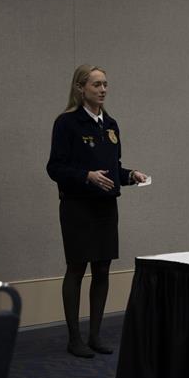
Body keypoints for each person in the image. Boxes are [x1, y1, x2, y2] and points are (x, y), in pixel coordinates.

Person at [47, 64, 148, 358]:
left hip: (105, 206)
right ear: (80, 88)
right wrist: (86, 176)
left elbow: (113, 168)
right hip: (77, 206)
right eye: (96, 84)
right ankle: (74, 338)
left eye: (105, 84)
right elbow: (55, 167)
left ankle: (95, 336)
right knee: (77, 268)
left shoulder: (111, 124)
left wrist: (130, 175)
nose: (103, 89)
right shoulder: (67, 123)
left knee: (102, 269)